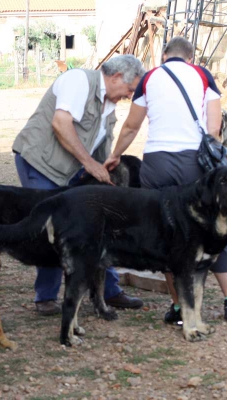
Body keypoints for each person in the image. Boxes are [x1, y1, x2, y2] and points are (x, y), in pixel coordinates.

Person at [103, 37, 227, 324]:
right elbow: (214, 127)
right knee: (215, 229)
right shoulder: (202, 75)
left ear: (164, 55)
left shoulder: (149, 78)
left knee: (165, 231)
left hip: (156, 162)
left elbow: (132, 125)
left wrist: (115, 155)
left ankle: (178, 307)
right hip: (192, 162)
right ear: (190, 56)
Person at [12, 54, 146, 315]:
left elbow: (100, 145)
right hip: (40, 162)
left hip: (70, 169)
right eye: (130, 89)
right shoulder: (79, 81)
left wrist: (107, 172)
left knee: (98, 223)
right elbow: (61, 125)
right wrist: (90, 165)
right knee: (52, 227)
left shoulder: (108, 103)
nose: (129, 96)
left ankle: (109, 291)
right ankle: (46, 297)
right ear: (117, 77)